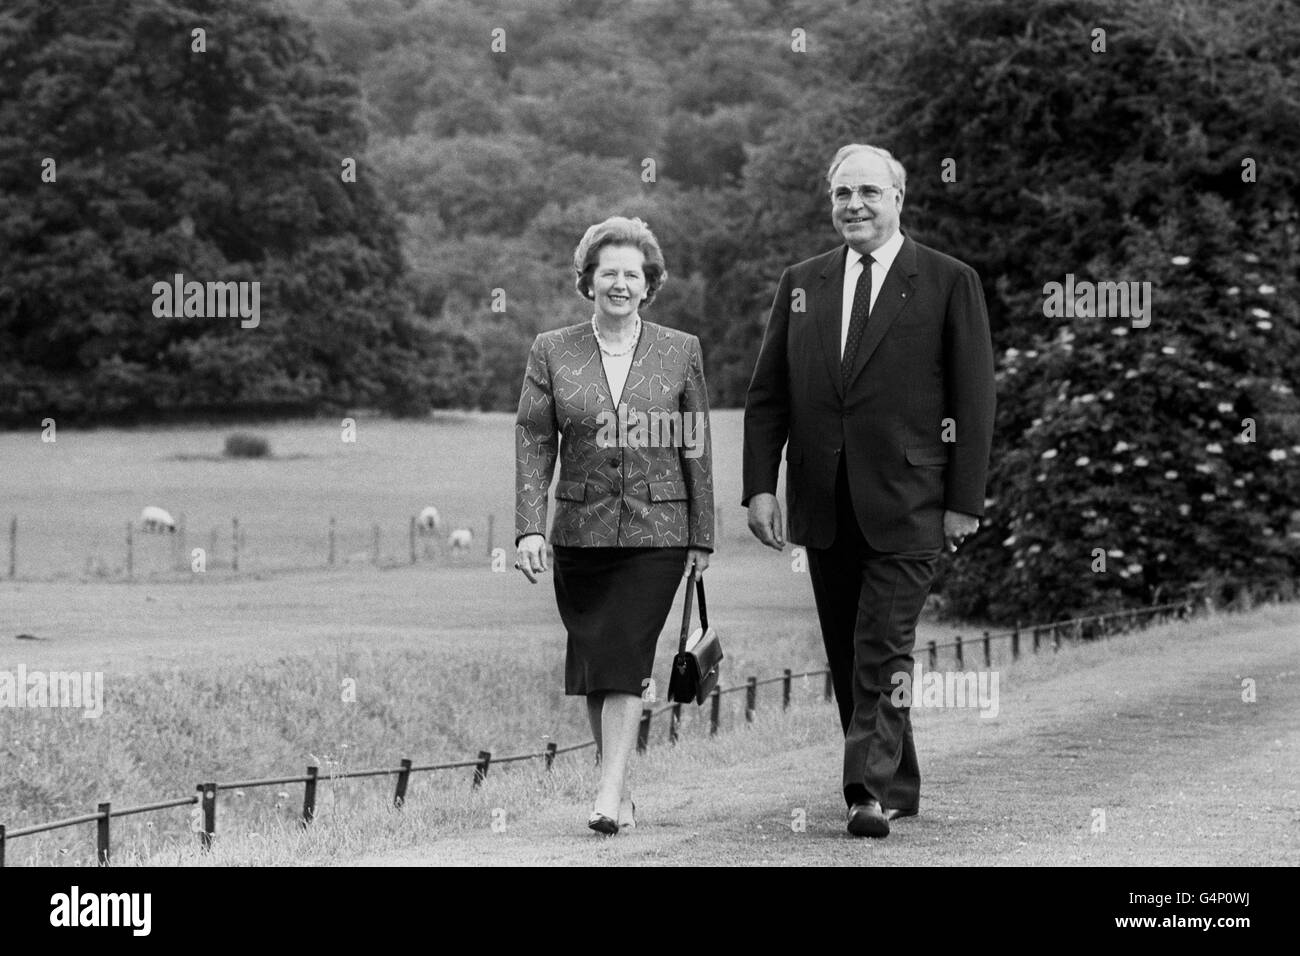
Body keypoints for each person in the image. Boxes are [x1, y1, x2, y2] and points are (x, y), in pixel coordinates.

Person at [742, 144, 995, 838]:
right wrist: (761, 488)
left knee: (882, 645)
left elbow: (974, 401)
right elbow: (768, 397)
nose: (853, 205)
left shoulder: (948, 281)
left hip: (911, 499)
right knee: (854, 654)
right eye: (842, 194)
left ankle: (866, 792)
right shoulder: (802, 282)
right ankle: (900, 781)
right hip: (824, 504)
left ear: (898, 199)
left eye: (868, 193)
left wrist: (964, 501)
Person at [516, 216, 715, 836]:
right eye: (610, 274)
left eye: (632, 274)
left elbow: (696, 446)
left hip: (659, 532)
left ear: (649, 283)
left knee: (627, 652)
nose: (621, 284)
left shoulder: (680, 350)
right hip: (579, 530)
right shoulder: (552, 349)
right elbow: (533, 440)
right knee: (596, 662)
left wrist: (702, 535)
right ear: (589, 281)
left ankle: (605, 796)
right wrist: (529, 527)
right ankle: (619, 790)